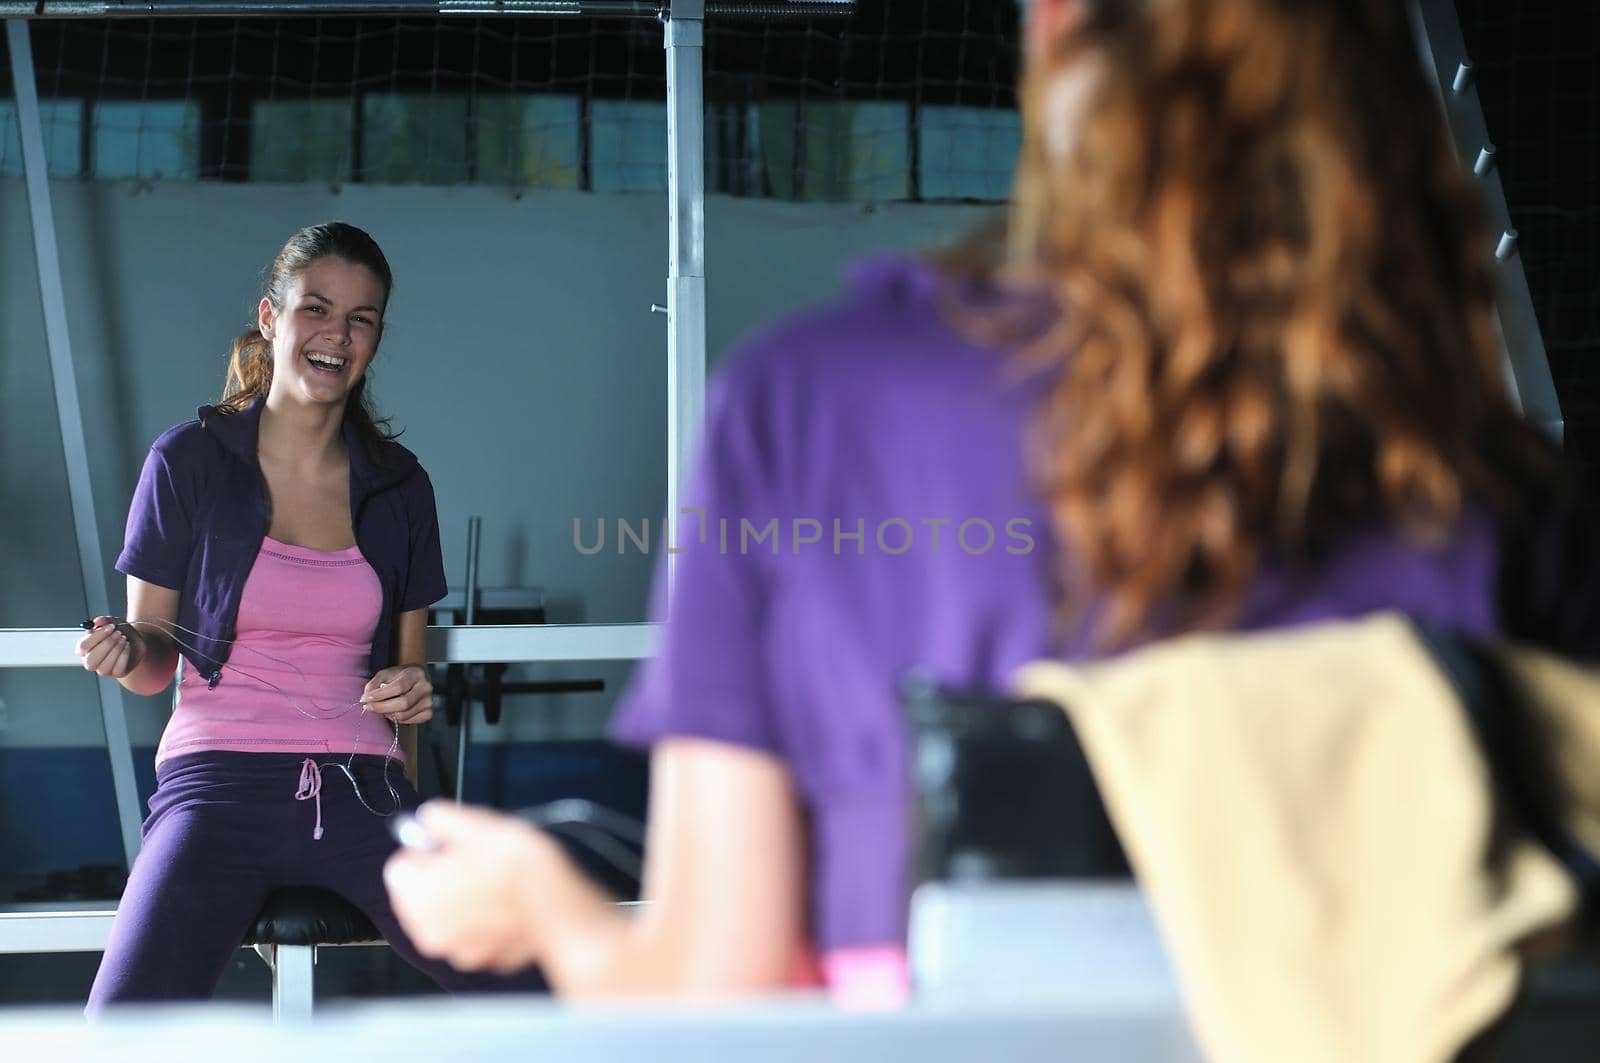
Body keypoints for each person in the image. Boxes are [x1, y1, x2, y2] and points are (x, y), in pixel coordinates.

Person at [382, 0, 1589, 1005]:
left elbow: (717, 985)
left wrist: (546, 900)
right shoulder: (1507, 490)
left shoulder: (805, 404)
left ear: (1057, 30)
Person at [77, 222, 540, 1009]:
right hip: (214, 784)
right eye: (316, 309)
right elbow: (154, 665)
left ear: (377, 338)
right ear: (271, 317)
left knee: (541, 985)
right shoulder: (186, 461)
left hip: (365, 789)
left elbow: (409, 679)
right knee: (122, 1025)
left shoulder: (400, 487)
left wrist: (409, 701)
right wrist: (127, 651)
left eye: (361, 318)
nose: (337, 335)